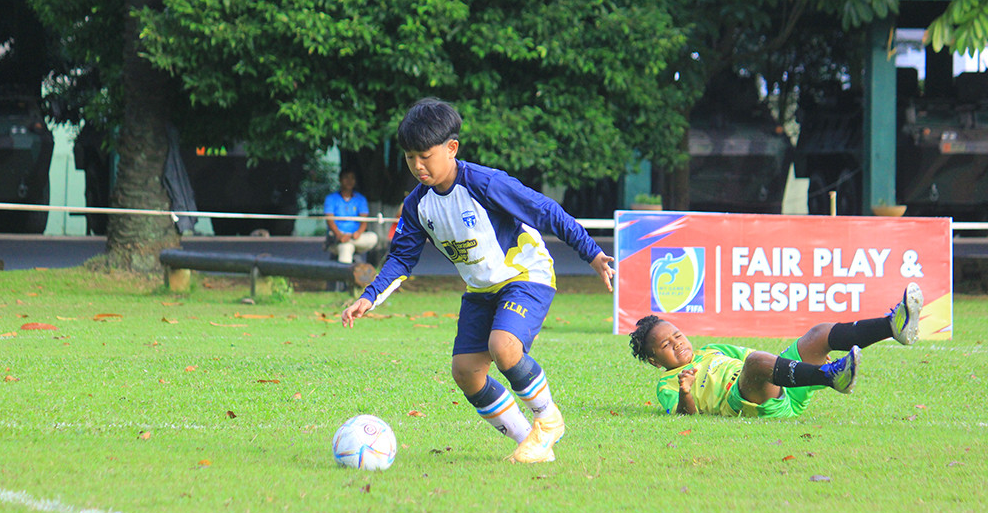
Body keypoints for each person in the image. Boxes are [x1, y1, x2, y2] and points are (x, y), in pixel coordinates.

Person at [342, 98, 616, 464]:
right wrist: (369, 298)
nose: (418, 165)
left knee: (503, 347)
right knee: (466, 372)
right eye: (410, 157)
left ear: (451, 148)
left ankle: (548, 421)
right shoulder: (416, 205)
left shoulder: (486, 183)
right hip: (481, 290)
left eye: (425, 155)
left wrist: (592, 254)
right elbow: (402, 258)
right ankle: (530, 442)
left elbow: (545, 211)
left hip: (525, 275)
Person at [628, 283, 923, 417]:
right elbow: (684, 416)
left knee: (819, 333)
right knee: (756, 364)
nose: (678, 343)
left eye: (677, 335)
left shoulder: (711, 349)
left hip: (780, 384)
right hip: (751, 400)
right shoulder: (667, 383)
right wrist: (686, 392)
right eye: (667, 345)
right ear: (655, 361)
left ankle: (892, 327)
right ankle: (831, 377)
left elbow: (763, 360)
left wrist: (804, 360)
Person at [324, 167, 379, 264]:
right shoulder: (331, 198)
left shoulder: (360, 199)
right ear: (340, 180)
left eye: (352, 178)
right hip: (337, 236)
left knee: (373, 237)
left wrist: (357, 233)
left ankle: (347, 242)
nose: (349, 181)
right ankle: (345, 277)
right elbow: (330, 220)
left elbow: (364, 222)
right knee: (346, 248)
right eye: (346, 178)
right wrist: (339, 235)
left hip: (355, 237)